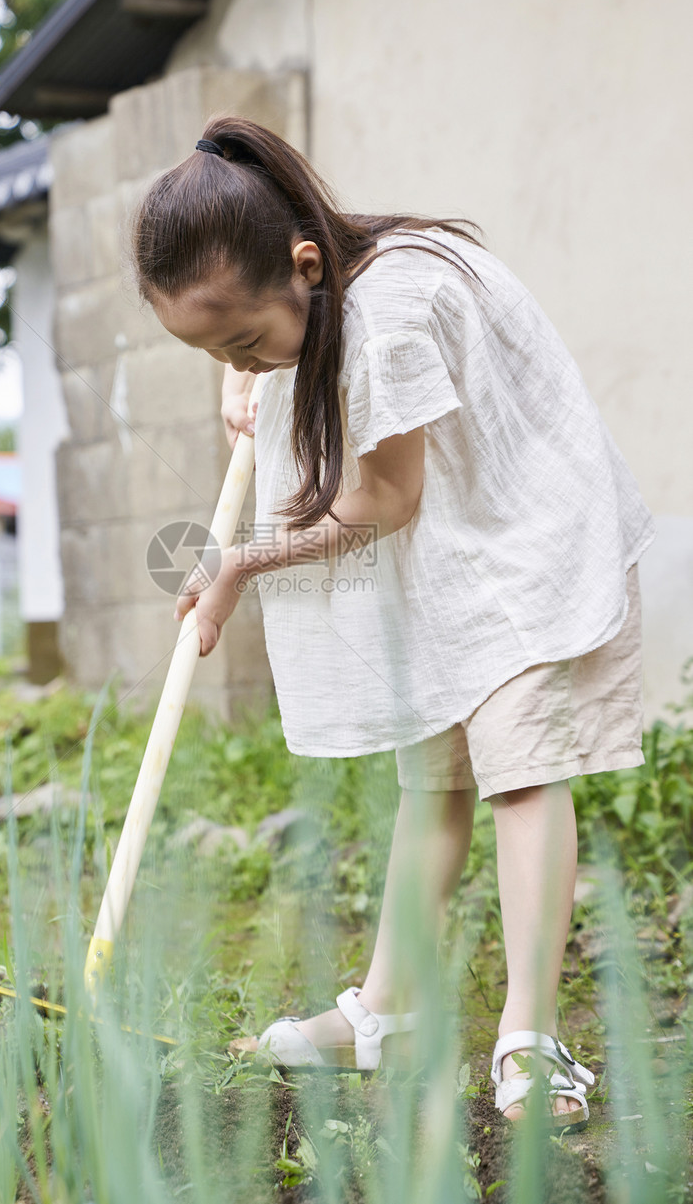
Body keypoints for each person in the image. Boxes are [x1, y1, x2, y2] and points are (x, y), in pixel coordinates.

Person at [132, 118, 654, 1128]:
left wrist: (241, 558)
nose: (237, 360)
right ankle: (389, 1011)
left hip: (521, 537)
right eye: (208, 345)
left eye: (240, 337)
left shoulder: (390, 317)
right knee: (432, 778)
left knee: (517, 769)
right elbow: (279, 356)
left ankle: (528, 1034)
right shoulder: (319, 281)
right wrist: (241, 368)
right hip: (450, 551)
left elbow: (380, 501)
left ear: (303, 263)